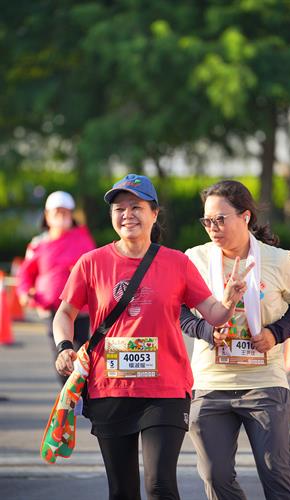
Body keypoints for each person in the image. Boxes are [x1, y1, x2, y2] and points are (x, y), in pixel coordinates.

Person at [52, 173, 253, 500]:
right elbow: (65, 313)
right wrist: (65, 346)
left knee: (160, 485)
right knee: (122, 490)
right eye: (119, 208)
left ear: (154, 213)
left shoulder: (177, 263)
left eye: (136, 207)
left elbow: (214, 315)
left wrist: (229, 299)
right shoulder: (92, 263)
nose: (127, 214)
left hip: (166, 389)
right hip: (110, 387)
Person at [180, 180, 290, 500]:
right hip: (211, 382)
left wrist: (275, 333)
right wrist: (205, 331)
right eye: (207, 221)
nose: (213, 227)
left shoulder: (279, 260)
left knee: (277, 473)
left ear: (245, 216)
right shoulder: (193, 258)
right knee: (216, 478)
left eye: (220, 219)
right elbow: (179, 310)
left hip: (264, 381)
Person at [17, 191, 95, 384]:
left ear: (71, 215)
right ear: (47, 216)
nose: (61, 216)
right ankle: (66, 392)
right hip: (51, 309)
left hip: (80, 309)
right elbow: (25, 273)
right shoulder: (38, 244)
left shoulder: (83, 239)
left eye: (65, 212)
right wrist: (24, 292)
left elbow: (95, 269)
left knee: (81, 349)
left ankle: (81, 389)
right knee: (60, 350)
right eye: (56, 212)